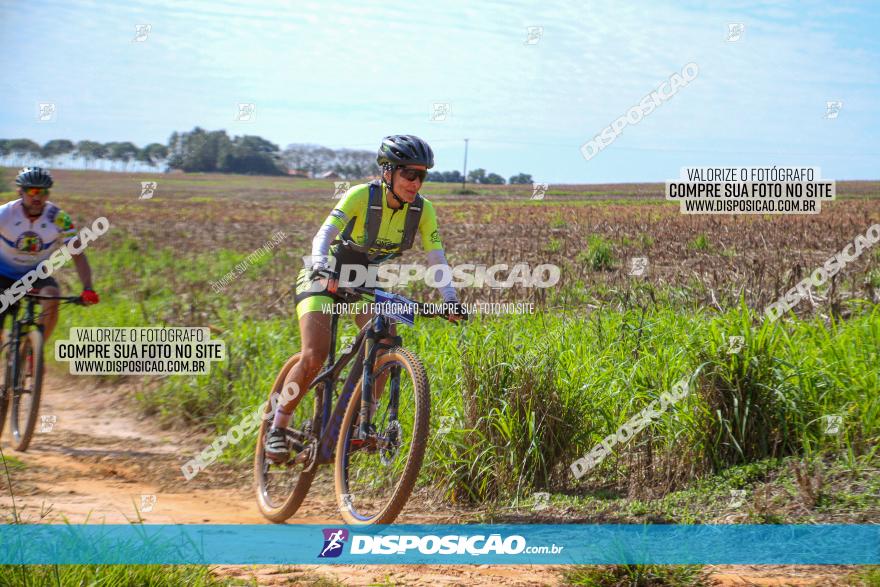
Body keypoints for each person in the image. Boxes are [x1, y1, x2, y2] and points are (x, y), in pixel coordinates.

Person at [264, 135, 465, 462]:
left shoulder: (423, 210)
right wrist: (321, 269)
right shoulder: (360, 196)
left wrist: (451, 299)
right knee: (315, 355)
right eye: (409, 174)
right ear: (388, 172)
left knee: (386, 341)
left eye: (422, 175)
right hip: (324, 273)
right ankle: (279, 427)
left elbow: (436, 258)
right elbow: (323, 235)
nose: (416, 183)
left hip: (365, 280)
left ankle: (359, 425)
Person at [0, 167, 99, 343]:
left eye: (44, 191)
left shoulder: (59, 218)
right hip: (3, 275)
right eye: (32, 191)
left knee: (52, 296)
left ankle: (34, 352)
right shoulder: (5, 213)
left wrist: (88, 288)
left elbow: (77, 253)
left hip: (35, 276)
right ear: (20, 192)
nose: (37, 197)